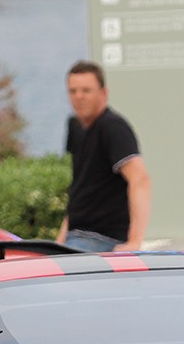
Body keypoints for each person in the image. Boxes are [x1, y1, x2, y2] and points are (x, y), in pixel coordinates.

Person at [57, 61, 150, 252]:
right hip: (75, 237)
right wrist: (59, 242)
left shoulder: (113, 127)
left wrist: (134, 242)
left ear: (103, 93)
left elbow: (140, 179)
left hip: (103, 240)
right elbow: (79, 190)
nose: (79, 97)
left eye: (86, 90)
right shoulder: (75, 126)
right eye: (73, 91)